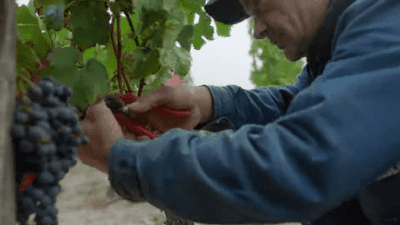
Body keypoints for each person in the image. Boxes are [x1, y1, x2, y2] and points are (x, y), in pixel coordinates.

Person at [77, 0, 400, 224]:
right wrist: (208, 104)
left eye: (258, 5)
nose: (257, 29)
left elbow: (305, 160)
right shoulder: (338, 51)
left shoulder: (391, 21)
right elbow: (296, 105)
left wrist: (126, 160)